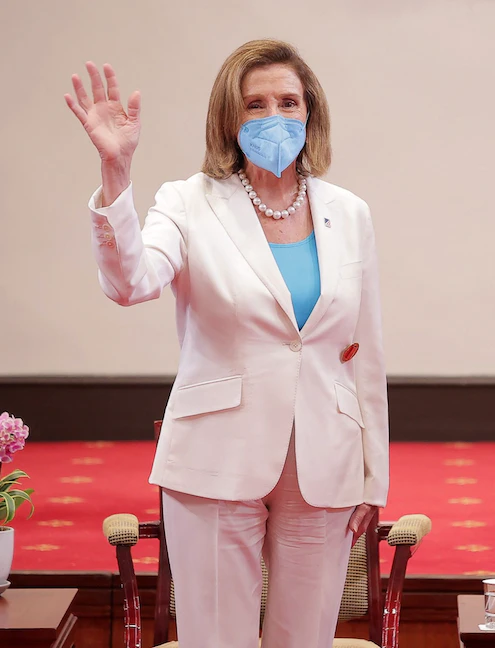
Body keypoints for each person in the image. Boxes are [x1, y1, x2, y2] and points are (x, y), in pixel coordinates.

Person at [65, 39, 388, 648]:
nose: (274, 117)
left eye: (288, 102)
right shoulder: (187, 202)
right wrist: (116, 172)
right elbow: (130, 283)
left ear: (310, 112)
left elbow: (364, 350)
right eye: (255, 104)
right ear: (228, 118)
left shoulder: (350, 213)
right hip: (215, 455)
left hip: (325, 458)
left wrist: (375, 478)